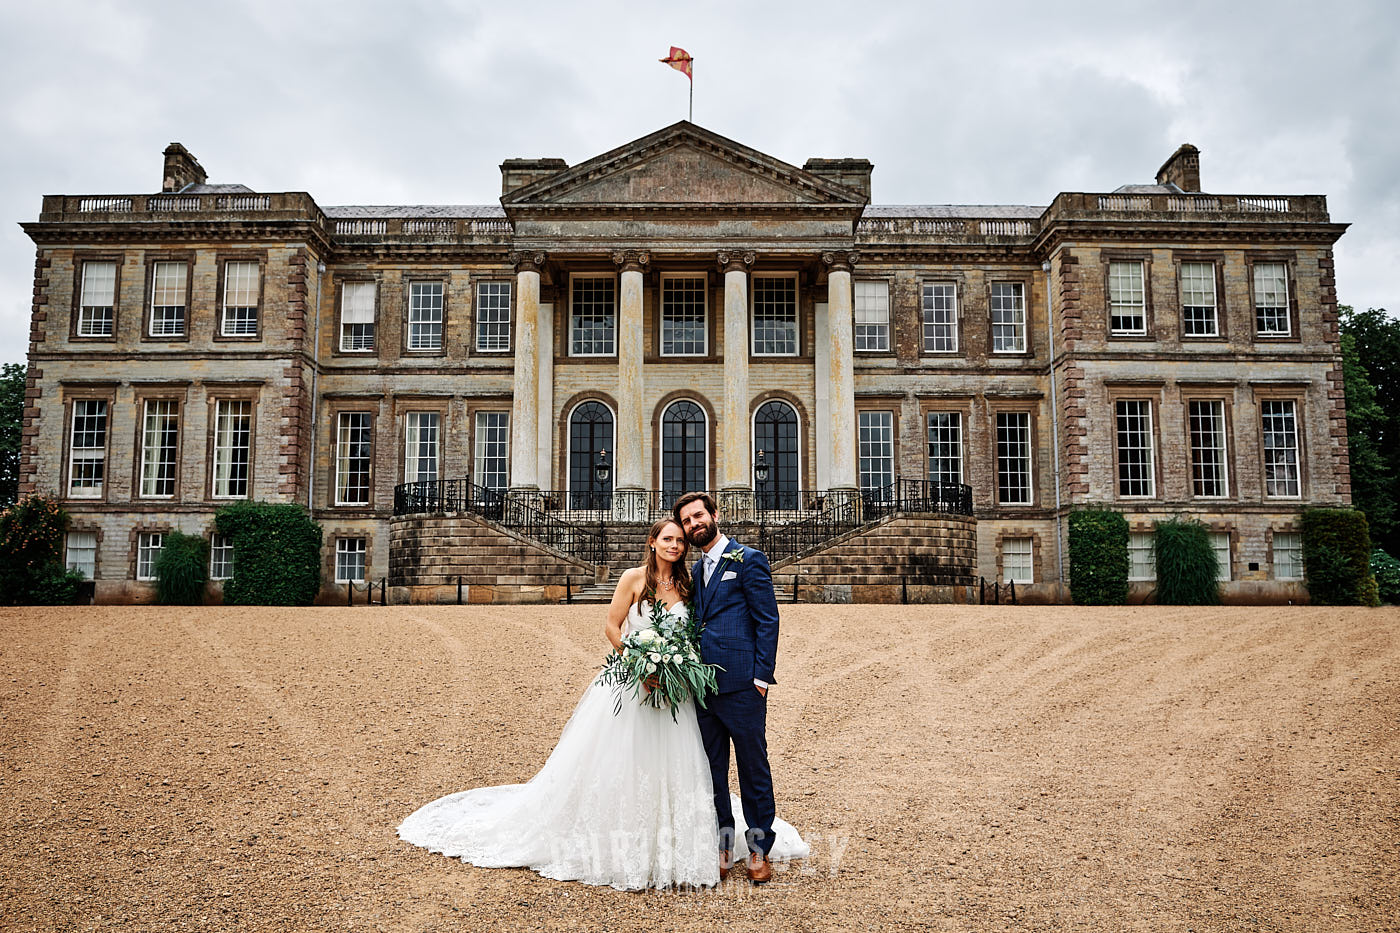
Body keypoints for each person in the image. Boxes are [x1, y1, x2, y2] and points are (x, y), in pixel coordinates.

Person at [397, 518, 719, 890]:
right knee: (621, 759)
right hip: (634, 682)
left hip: (673, 687)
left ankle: (670, 841)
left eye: (680, 540)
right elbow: (613, 626)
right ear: (652, 542)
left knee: (672, 761)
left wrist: (676, 665)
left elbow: (693, 631)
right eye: (668, 538)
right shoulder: (633, 578)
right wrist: (637, 661)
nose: (675, 545)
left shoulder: (688, 583)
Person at [673, 491, 783, 884]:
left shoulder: (748, 559)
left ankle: (758, 849)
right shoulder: (693, 572)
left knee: (753, 768)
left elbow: (767, 620)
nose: (693, 524)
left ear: (714, 515)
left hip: (742, 686)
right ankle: (723, 843)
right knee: (713, 771)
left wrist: (760, 678)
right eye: (686, 521)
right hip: (702, 689)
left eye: (698, 516)